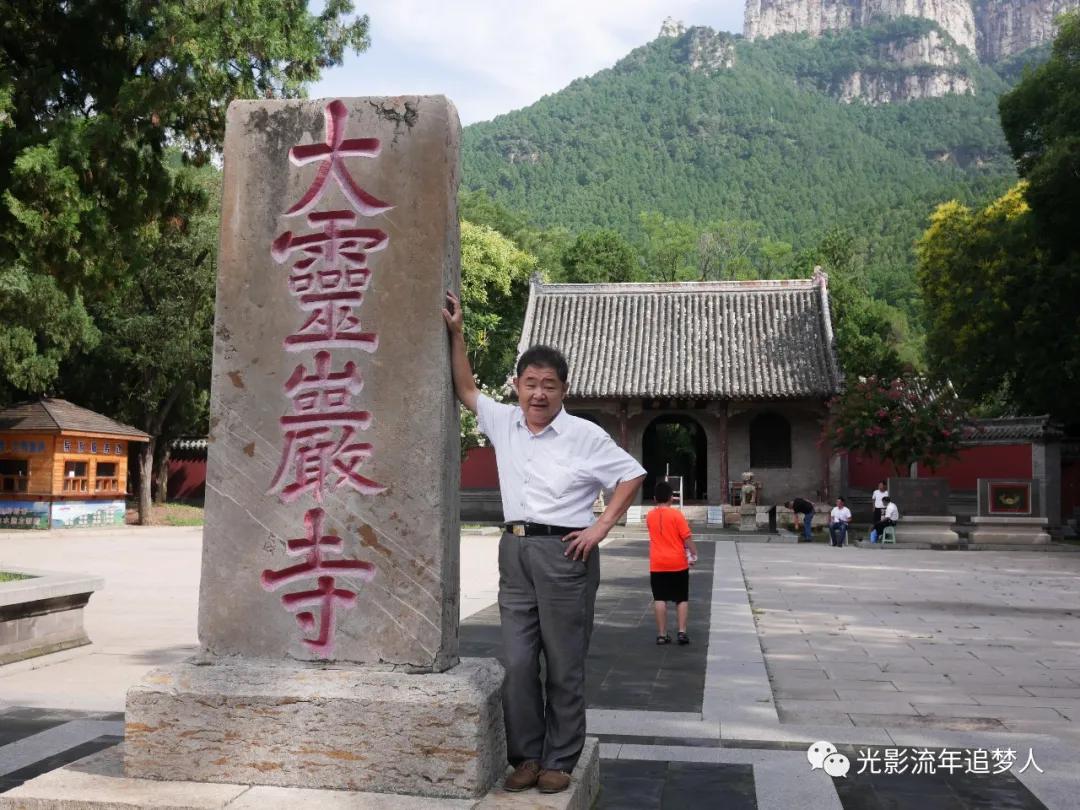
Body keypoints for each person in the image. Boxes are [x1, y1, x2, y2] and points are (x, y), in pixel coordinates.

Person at [442, 291, 645, 795]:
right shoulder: (504, 421)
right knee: (514, 660)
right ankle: (527, 756)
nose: (538, 394)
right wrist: (456, 331)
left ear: (563, 390)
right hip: (514, 552)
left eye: (548, 386)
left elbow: (631, 475)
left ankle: (560, 757)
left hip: (565, 554)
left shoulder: (584, 435)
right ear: (517, 386)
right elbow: (466, 387)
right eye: (529, 383)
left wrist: (601, 527)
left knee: (564, 661)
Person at [646, 480, 699, 645]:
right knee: (681, 598)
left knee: (659, 598)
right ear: (671, 498)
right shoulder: (677, 515)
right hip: (677, 562)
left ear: (655, 498)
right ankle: (682, 632)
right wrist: (694, 552)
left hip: (657, 563)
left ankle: (662, 634)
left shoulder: (650, 516)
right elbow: (686, 536)